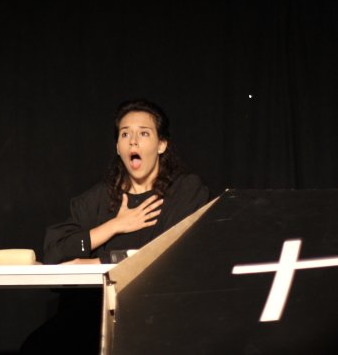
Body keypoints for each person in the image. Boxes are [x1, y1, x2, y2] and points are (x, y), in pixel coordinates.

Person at [21, 98, 209, 354]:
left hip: (151, 314)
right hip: (91, 316)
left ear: (161, 145)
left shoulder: (184, 191)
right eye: (125, 134)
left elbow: (170, 252)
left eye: (144, 133)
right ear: (118, 147)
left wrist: (98, 262)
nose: (133, 141)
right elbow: (55, 253)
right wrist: (114, 225)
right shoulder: (96, 199)